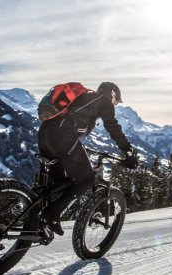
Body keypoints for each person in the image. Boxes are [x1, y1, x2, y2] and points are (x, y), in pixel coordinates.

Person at [37, 82, 139, 236]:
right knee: (86, 179)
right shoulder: (102, 101)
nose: (114, 105)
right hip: (61, 136)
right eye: (115, 101)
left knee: (59, 184)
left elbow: (70, 124)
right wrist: (128, 152)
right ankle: (50, 215)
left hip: (44, 133)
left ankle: (36, 221)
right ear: (111, 96)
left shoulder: (84, 99)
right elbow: (113, 127)